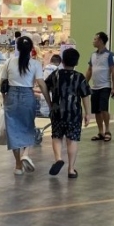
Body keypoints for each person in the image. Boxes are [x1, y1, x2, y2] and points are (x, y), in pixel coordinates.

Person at [3, 35, 49, 174]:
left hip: (11, 95)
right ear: (31, 49)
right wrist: (49, 102)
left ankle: (18, 165)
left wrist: (5, 99)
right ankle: (26, 154)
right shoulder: (35, 64)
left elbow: (3, 83)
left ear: (17, 48)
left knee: (13, 130)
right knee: (28, 126)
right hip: (27, 95)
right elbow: (41, 84)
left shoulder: (9, 62)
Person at [44, 48, 91, 178]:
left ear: (62, 61)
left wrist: (50, 103)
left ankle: (58, 159)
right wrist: (88, 113)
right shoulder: (79, 77)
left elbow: (45, 87)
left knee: (57, 137)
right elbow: (85, 96)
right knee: (72, 140)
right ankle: (71, 169)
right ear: (77, 62)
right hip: (74, 114)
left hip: (57, 112)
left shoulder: (55, 75)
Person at [86, 32, 114, 142]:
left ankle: (107, 130)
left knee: (103, 109)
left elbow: (113, 71)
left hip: (105, 86)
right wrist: (84, 83)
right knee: (96, 111)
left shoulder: (110, 55)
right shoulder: (93, 55)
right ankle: (100, 132)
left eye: (95, 39)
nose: (93, 41)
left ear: (101, 41)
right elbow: (89, 70)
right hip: (95, 87)